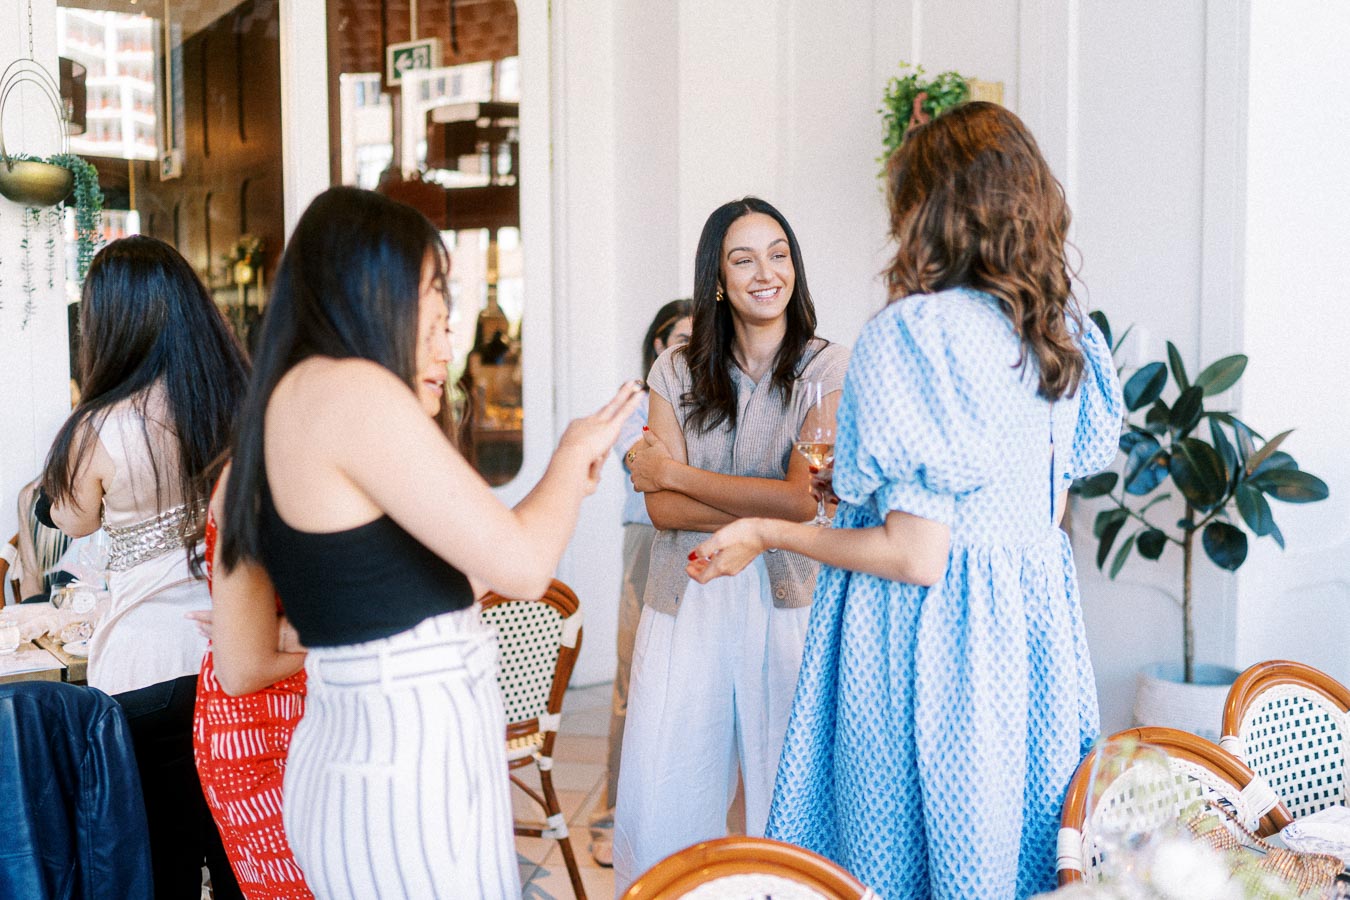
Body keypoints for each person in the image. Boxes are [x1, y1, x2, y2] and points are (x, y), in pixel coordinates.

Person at [687, 102, 1125, 898]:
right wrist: (876, 496)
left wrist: (768, 532)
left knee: (891, 871)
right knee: (1012, 860)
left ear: (925, 208)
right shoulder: (1060, 327)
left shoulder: (919, 333)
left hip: (928, 647)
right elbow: (1037, 509)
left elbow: (916, 556)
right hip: (1032, 647)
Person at [216, 186, 642, 898]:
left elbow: (241, 663)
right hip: (406, 771)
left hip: (350, 761)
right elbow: (525, 567)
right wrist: (571, 459)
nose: (448, 348)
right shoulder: (352, 389)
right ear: (373, 295)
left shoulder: (261, 431)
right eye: (435, 317)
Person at [612, 197, 850, 890]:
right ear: (717, 279)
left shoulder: (827, 368)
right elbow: (659, 510)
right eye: (743, 260)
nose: (765, 273)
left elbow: (802, 500)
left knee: (792, 796)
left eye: (778, 254)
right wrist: (750, 496)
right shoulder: (674, 370)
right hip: (686, 594)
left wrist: (677, 474)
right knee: (669, 789)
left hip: (792, 599)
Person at [40, 235, 247, 900]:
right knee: (242, 857)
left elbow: (71, 519)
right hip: (232, 655)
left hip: (143, 670)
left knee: (164, 866)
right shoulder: (234, 398)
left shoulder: (98, 427)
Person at [588, 298, 693, 868]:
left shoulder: (716, 395)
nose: (690, 348)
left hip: (705, 538)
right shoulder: (636, 399)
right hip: (648, 541)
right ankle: (610, 816)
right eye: (679, 339)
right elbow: (642, 468)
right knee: (634, 677)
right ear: (658, 342)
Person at [191, 468, 311, 899]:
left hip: (331, 715)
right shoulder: (253, 475)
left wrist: (290, 632)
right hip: (260, 733)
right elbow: (242, 668)